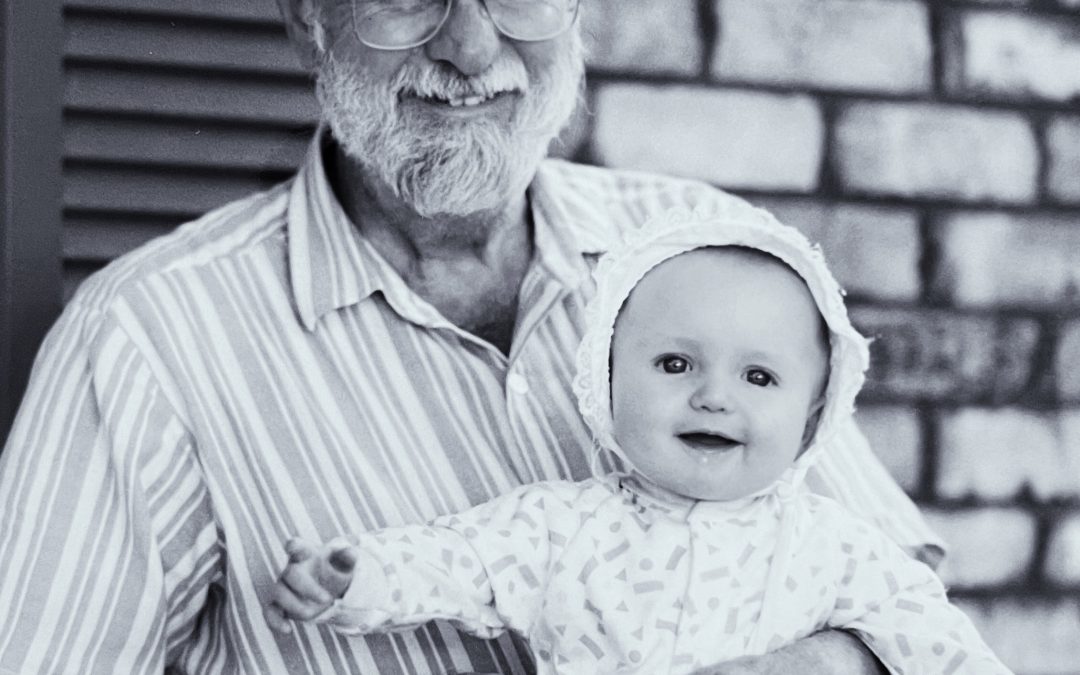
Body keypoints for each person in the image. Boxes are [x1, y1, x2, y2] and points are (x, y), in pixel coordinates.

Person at [0, 0, 942, 672]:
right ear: (304, 17)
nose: (471, 42)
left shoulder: (712, 250)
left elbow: (898, 596)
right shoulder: (144, 337)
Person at [263, 211, 1010, 674]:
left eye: (758, 375)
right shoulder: (560, 525)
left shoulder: (837, 547)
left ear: (813, 414)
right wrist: (351, 579)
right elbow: (454, 561)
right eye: (675, 363)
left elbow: (940, 643)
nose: (714, 394)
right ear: (606, 380)